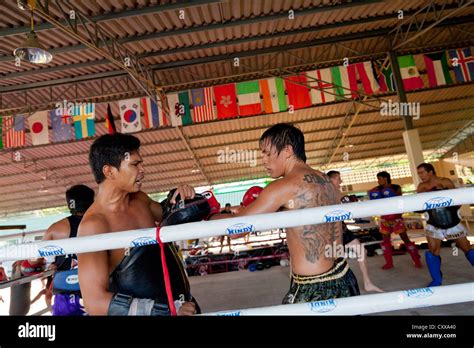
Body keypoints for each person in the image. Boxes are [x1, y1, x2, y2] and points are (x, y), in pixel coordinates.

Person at [212, 123, 360, 303]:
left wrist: (210, 212)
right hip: (344, 277)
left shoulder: (283, 187)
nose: (263, 160)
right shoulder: (326, 180)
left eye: (267, 153)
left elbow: (236, 230)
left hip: (314, 288)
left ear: (288, 150)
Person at [77, 133, 199, 316]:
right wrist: (166, 311)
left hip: (185, 305)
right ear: (109, 171)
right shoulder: (94, 226)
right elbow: (94, 302)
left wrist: (182, 198)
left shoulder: (140, 200)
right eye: (135, 164)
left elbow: (173, 218)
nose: (142, 170)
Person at [416, 163, 473, 286]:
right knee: (433, 251)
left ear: (430, 172)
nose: (420, 176)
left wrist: (440, 196)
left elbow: (457, 201)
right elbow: (419, 206)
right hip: (434, 223)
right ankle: (437, 280)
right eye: (418, 173)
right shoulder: (421, 187)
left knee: (467, 248)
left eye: (422, 172)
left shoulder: (445, 182)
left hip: (451, 222)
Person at [327, 171, 383, 293]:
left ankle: (367, 283)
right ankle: (332, 290)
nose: (341, 181)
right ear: (332, 179)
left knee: (361, 251)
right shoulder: (326, 193)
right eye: (338, 179)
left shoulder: (338, 193)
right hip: (331, 233)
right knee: (333, 261)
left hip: (343, 230)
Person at [43, 184, 95, 316]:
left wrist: (52, 263)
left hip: (65, 290)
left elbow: (44, 254)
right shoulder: (103, 224)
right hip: (95, 289)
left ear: (70, 204)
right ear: (91, 202)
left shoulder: (55, 228)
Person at [369, 171, 422, 269]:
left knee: (405, 238)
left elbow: (399, 200)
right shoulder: (377, 189)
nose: (378, 181)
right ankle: (389, 263)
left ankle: (416, 260)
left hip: (396, 218)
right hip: (385, 218)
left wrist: (388, 192)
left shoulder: (396, 187)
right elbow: (374, 201)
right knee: (386, 241)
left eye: (380, 178)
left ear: (385, 178)